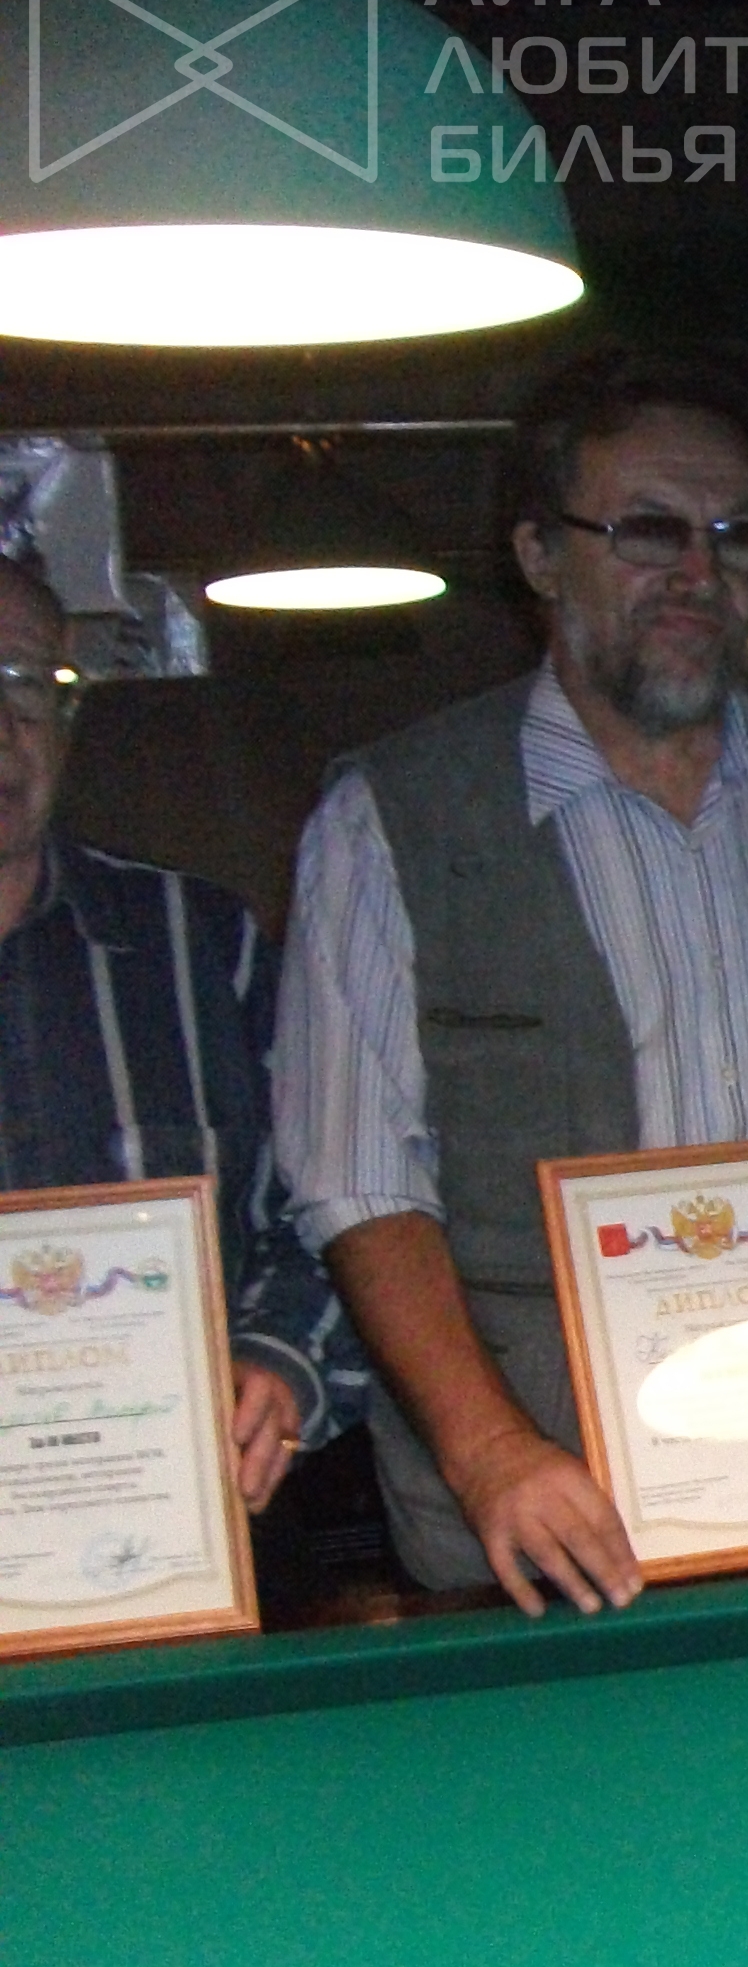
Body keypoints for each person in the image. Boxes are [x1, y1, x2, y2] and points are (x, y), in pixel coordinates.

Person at [275, 347, 748, 1615]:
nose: (697, 572)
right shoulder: (390, 818)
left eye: (737, 534)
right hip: (545, 1533)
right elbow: (358, 1180)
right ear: (538, 555)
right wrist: (491, 1455)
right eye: (647, 529)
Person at [0, 555, 362, 1507]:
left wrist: (279, 1359)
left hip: (184, 1527)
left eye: (23, 684)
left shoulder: (201, 944)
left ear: (68, 718)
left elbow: (338, 1204)